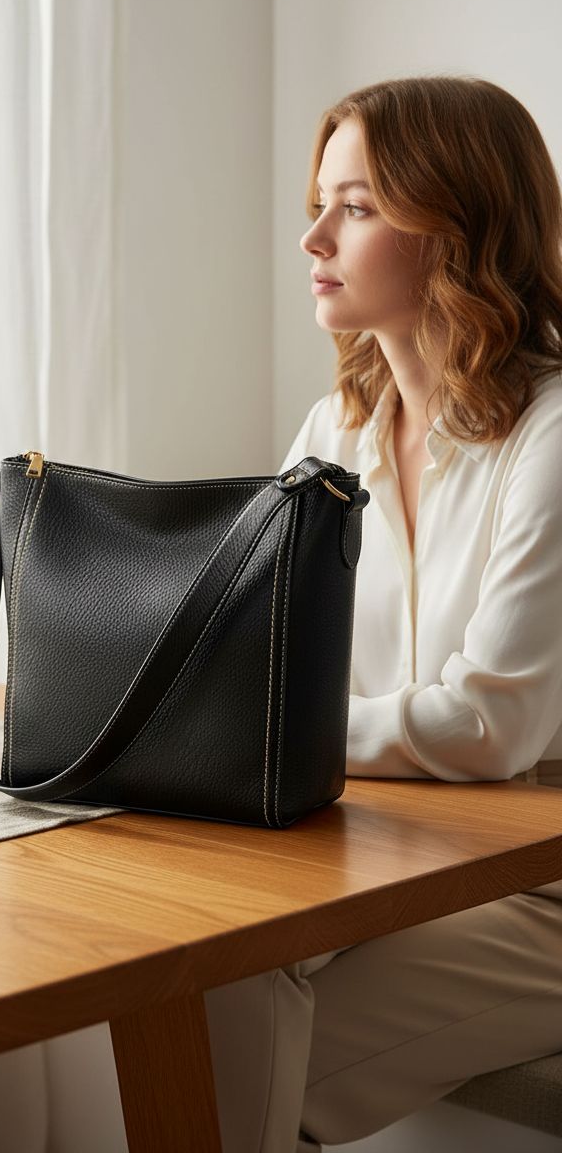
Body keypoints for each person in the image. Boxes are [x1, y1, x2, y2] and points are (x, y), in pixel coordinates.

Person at [204, 75, 562, 1152]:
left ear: (456, 229)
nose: (313, 236)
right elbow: (250, 650)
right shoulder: (339, 426)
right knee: (185, 975)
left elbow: (492, 730)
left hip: (538, 885)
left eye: (355, 207)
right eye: (322, 202)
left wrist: (267, 729)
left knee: (233, 1062)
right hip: (392, 846)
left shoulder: (550, 433)